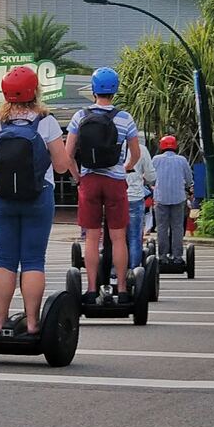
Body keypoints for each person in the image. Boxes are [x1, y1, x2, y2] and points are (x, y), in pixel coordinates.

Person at [0, 65, 77, 334]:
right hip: (38, 196)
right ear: (35, 91)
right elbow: (60, 166)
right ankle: (33, 323)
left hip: (1, 197)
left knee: (5, 259)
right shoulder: (45, 120)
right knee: (33, 260)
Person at [66, 67, 140, 305]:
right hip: (115, 181)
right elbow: (136, 155)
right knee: (118, 237)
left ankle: (90, 289)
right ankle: (121, 288)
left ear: (94, 88)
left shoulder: (80, 116)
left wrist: (78, 177)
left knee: (91, 238)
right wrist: (124, 167)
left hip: (89, 179)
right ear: (115, 89)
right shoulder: (124, 118)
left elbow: (68, 155)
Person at [152, 134, 194, 264]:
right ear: (175, 146)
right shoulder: (182, 160)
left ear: (161, 146)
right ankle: (177, 257)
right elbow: (189, 179)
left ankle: (163, 256)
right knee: (177, 227)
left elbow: (151, 178)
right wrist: (187, 186)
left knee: (162, 227)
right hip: (178, 198)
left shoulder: (156, 159)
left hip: (160, 198)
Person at [125, 133, 156, 269]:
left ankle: (115, 270)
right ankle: (134, 270)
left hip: (116, 195)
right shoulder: (142, 149)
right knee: (135, 237)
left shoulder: (113, 147)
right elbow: (151, 176)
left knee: (116, 237)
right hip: (135, 196)